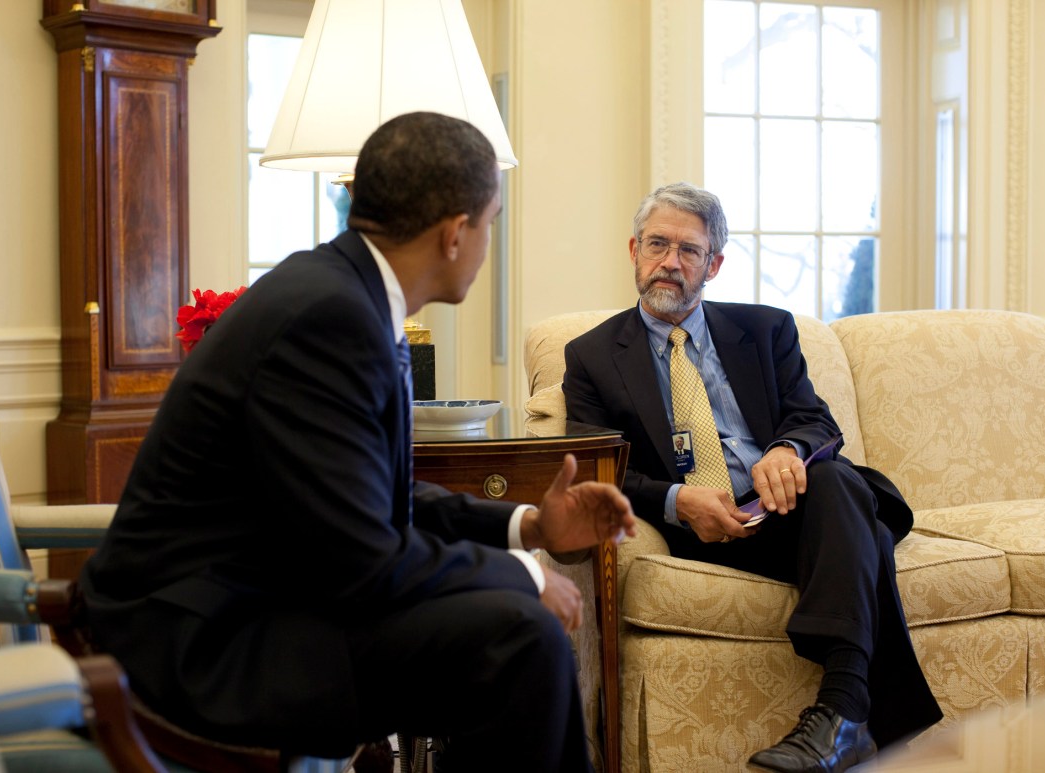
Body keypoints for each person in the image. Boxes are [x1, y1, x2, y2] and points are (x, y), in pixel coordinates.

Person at [80, 112, 636, 773]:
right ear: (455, 233)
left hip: (255, 602)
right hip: (203, 645)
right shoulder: (332, 315)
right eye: (491, 221)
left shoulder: (340, 289)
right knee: (520, 638)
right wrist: (522, 574)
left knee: (512, 624)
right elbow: (364, 561)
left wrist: (531, 528)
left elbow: (379, 502)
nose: (489, 240)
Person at [561, 183, 941, 773]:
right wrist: (677, 500)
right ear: (634, 250)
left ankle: (838, 714)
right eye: (658, 244)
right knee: (856, 514)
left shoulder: (766, 331)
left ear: (713, 264)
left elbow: (814, 420)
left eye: (689, 250)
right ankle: (856, 717)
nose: (670, 262)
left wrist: (787, 451)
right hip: (699, 526)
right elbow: (595, 465)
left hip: (785, 512)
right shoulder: (590, 355)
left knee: (835, 479)